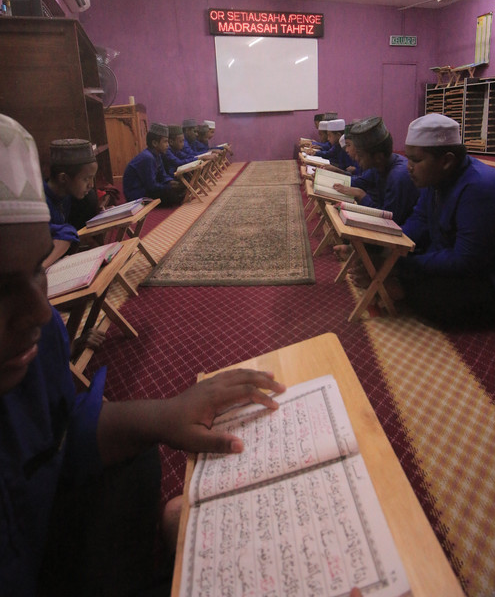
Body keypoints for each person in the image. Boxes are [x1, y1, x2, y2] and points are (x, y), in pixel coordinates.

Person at [0, 112, 286, 597]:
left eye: (36, 271)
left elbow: (60, 433)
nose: (41, 313)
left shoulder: (37, 343)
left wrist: (164, 415)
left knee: (135, 463)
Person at [396, 113, 495, 326]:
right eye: (409, 158)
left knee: (432, 298)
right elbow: (419, 220)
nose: (409, 167)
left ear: (446, 161)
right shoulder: (435, 179)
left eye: (417, 160)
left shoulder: (480, 188)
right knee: (407, 266)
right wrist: (391, 249)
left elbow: (465, 261)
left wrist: (402, 264)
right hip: (482, 260)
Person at [333, 116, 419, 224]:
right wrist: (327, 177)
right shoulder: (377, 165)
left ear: (378, 156)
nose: (356, 158)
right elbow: (358, 182)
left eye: (360, 155)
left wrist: (361, 195)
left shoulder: (398, 177)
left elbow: (388, 221)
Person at [43, 138, 99, 269]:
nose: (91, 184)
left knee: (90, 197)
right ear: (63, 178)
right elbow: (64, 233)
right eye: (86, 179)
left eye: (92, 178)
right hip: (40, 261)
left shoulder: (68, 195)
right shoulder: (39, 204)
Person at [123, 122, 185, 207]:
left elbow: (163, 175)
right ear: (155, 143)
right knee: (171, 195)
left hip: (147, 188)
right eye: (165, 142)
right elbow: (151, 186)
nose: (167, 145)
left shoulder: (158, 155)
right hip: (137, 193)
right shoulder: (148, 158)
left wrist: (171, 181)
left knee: (179, 186)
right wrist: (168, 187)